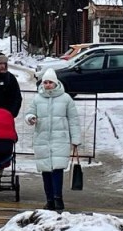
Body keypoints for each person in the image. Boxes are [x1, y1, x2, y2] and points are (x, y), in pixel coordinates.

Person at [25, 67, 81, 211]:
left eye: (50, 82)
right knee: (46, 171)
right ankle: (49, 200)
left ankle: (58, 199)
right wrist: (31, 118)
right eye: (45, 82)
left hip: (59, 138)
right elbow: (29, 112)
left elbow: (73, 119)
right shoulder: (38, 99)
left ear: (56, 83)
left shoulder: (66, 99)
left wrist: (75, 139)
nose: (47, 85)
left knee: (57, 170)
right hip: (42, 139)